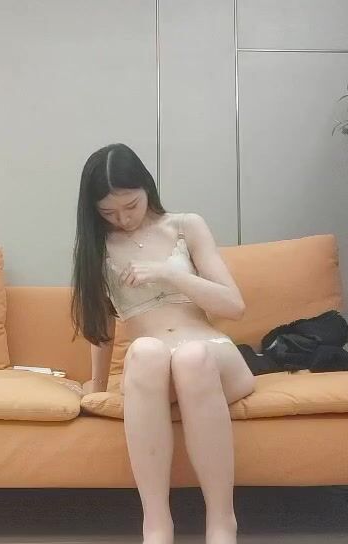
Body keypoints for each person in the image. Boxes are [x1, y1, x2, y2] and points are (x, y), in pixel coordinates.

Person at [70, 143, 256, 544]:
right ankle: (156, 524)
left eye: (131, 205)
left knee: (191, 357)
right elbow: (101, 329)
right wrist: (96, 388)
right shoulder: (98, 248)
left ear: (147, 188)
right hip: (152, 370)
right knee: (145, 351)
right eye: (109, 213)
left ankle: (221, 521)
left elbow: (234, 306)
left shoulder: (186, 226)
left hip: (210, 357)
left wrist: (170, 274)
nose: (123, 219)